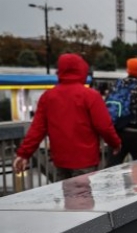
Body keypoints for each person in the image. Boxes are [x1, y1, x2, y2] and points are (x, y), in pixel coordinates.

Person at [13, 53, 121, 181]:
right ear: (82, 70)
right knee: (83, 198)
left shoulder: (48, 97)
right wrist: (115, 143)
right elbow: (104, 126)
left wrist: (24, 154)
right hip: (85, 160)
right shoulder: (91, 96)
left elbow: (37, 129)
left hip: (60, 160)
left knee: (66, 197)